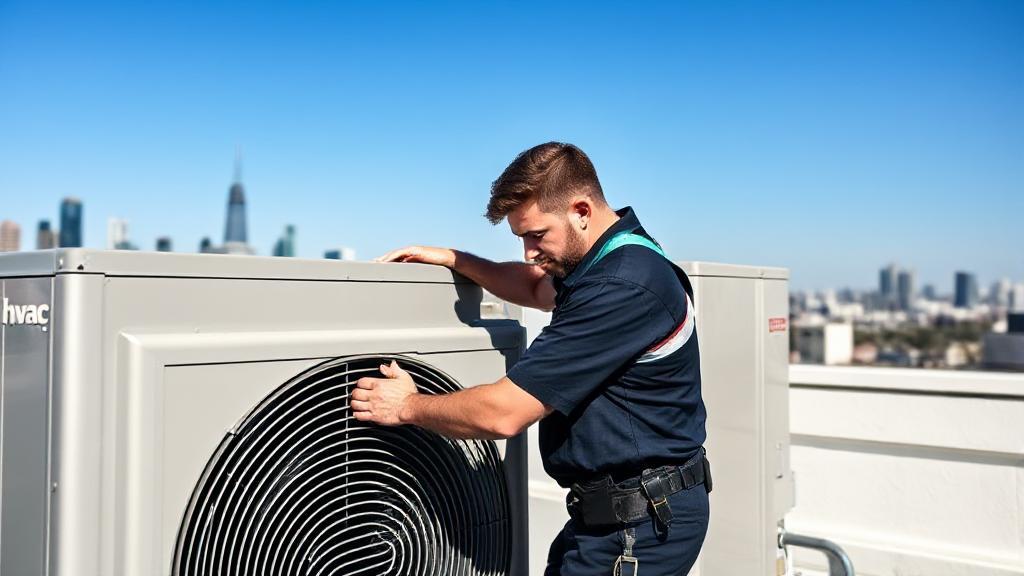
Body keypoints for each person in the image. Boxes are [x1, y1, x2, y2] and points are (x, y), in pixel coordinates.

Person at [352, 142, 710, 575]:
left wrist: (407, 406)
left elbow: (504, 414)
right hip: (617, 513)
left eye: (536, 235)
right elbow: (536, 288)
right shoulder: (612, 256)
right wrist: (455, 259)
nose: (528, 252)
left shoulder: (622, 286)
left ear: (581, 210)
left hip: (636, 526)